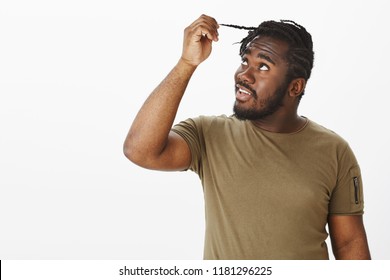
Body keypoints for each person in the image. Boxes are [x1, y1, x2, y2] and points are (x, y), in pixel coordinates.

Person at [123, 14, 371, 260]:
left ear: (295, 87)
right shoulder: (210, 135)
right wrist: (187, 63)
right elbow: (139, 150)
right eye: (245, 61)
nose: (244, 74)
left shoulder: (334, 151)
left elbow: (349, 245)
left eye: (263, 66)